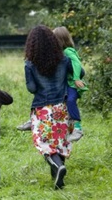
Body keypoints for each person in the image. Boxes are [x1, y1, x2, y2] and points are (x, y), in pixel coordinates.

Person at [25, 25, 73, 189]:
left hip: (43, 110)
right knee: (59, 140)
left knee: (45, 143)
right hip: (62, 106)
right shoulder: (64, 60)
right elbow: (79, 74)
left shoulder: (30, 64)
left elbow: (31, 88)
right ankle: (58, 178)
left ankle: (58, 167)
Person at [53, 26, 88, 142]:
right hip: (67, 84)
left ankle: (78, 128)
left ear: (60, 39)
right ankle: (69, 128)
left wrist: (77, 78)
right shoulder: (61, 53)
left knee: (71, 100)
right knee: (65, 103)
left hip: (73, 84)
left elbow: (77, 64)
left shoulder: (68, 51)